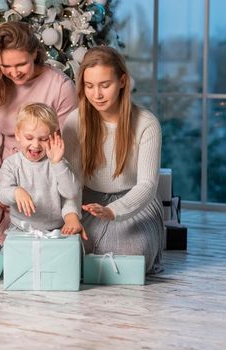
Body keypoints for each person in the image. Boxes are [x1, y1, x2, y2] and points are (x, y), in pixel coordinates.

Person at [0, 21, 80, 244]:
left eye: (20, 64)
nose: (13, 73)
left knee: (27, 241)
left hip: (43, 180)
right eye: (5, 66)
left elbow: (67, 147)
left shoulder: (60, 86)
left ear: (35, 53)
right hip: (1, 174)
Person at [62, 46, 163, 273]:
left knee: (134, 254)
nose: (96, 95)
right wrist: (71, 215)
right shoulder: (74, 122)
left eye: (104, 85)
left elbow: (147, 185)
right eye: (89, 86)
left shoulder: (147, 124)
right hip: (87, 200)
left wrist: (113, 211)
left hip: (134, 201)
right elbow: (70, 181)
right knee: (71, 248)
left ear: (122, 81)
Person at [0, 103, 86, 238]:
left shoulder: (58, 163)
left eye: (43, 139)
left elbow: (71, 193)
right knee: (12, 256)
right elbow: (2, 195)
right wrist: (16, 191)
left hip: (56, 229)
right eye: (29, 137)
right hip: (20, 228)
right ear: (18, 135)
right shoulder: (11, 164)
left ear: (53, 137)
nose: (36, 144)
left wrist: (58, 163)